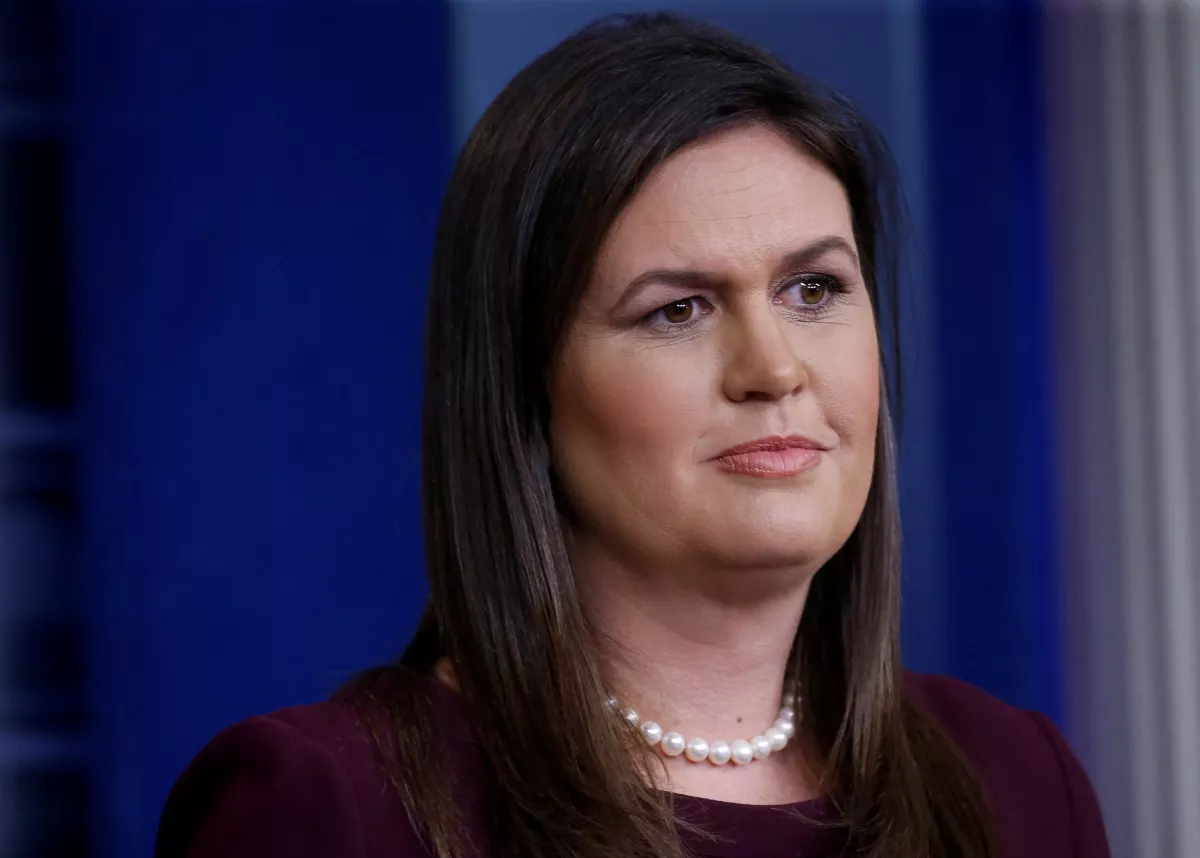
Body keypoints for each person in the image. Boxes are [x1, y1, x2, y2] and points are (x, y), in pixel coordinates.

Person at [155, 13, 1110, 858]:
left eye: (813, 290)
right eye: (677, 310)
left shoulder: (1017, 782)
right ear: (524, 387)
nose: (774, 369)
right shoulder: (330, 807)